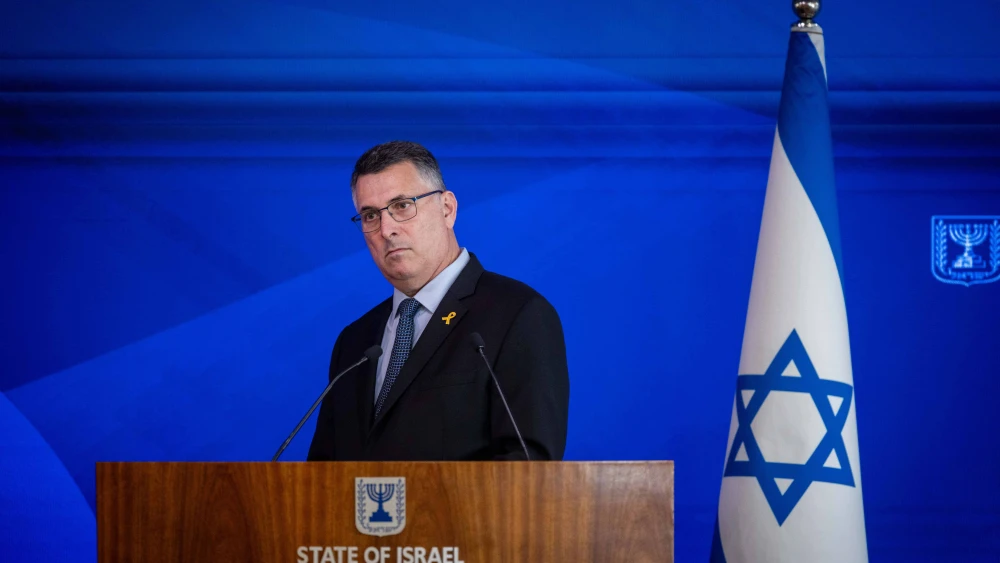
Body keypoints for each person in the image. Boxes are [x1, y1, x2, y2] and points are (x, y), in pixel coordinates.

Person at [307, 141, 569, 461]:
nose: (386, 229)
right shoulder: (354, 342)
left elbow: (528, 466)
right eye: (370, 215)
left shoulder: (517, 315)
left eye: (402, 205)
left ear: (447, 209)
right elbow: (320, 478)